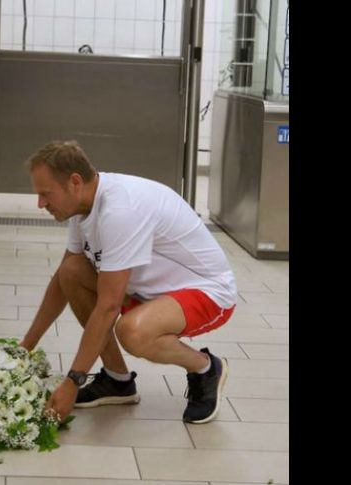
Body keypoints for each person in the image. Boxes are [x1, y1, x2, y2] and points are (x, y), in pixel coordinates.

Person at [19, 140, 237, 424]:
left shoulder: (120, 210)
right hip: (147, 291)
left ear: (74, 182)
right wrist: (24, 348)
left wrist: (72, 382)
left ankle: (205, 368)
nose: (41, 204)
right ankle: (117, 380)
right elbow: (61, 282)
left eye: (46, 194)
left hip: (207, 292)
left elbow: (108, 307)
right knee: (71, 272)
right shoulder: (83, 206)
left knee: (132, 332)